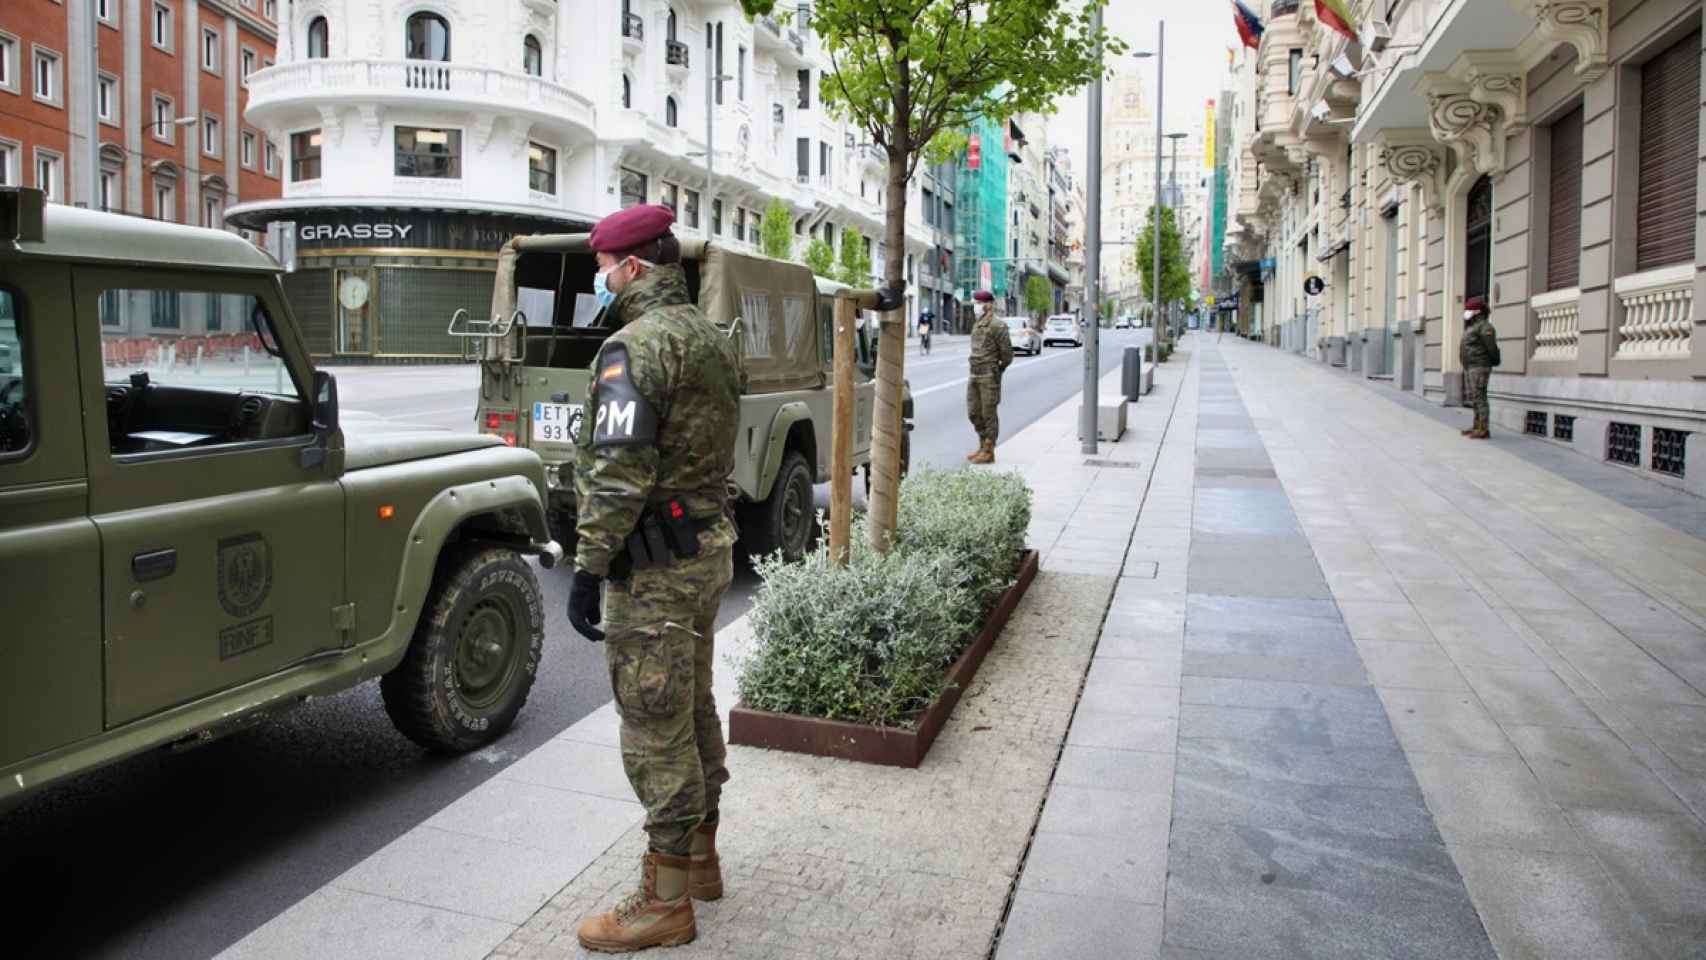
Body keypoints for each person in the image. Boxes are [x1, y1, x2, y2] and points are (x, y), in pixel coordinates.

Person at [566, 204, 742, 953]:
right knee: (692, 703)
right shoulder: (709, 337)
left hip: (655, 567)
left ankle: (665, 901)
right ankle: (700, 858)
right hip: (707, 550)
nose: (600, 278)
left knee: (653, 720)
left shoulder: (631, 348)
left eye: (603, 267)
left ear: (631, 266)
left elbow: (617, 472)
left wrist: (587, 564)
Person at [965, 289, 1013, 464]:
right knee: (973, 412)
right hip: (974, 374)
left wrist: (996, 370)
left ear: (988, 304)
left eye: (978, 303)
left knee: (988, 414)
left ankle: (989, 450)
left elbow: (1007, 355)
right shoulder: (978, 324)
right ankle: (982, 444)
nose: (976, 307)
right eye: (975, 303)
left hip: (988, 376)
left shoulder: (997, 325)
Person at [1459, 296, 1500, 440]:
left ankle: (1483, 429)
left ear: (1477, 311)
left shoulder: (1485, 327)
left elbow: (1492, 348)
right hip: (1471, 366)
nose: (1466, 312)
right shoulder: (1473, 326)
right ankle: (1477, 426)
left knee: (1480, 397)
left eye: (1469, 309)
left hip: (1480, 366)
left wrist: (1494, 361)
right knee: (1474, 397)